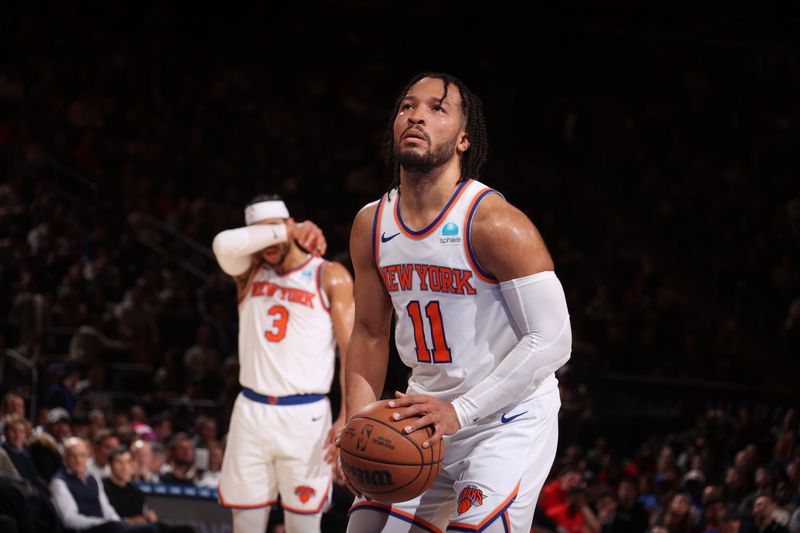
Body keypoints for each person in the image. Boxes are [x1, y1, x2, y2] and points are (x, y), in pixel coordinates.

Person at [342, 72, 572, 532]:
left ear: (465, 140)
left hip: (505, 418)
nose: (417, 116)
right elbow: (369, 332)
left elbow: (554, 340)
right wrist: (357, 425)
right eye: (407, 106)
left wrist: (460, 411)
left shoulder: (495, 224)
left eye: (436, 108)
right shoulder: (372, 223)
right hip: (423, 414)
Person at [212, 196, 354, 533]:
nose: (267, 244)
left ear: (288, 226)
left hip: (306, 417)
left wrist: (348, 413)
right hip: (251, 412)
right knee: (244, 526)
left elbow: (352, 350)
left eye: (273, 231)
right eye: (258, 236)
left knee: (303, 527)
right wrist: (284, 230)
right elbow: (222, 243)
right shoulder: (248, 270)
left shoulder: (329, 275)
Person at [50, 436, 157, 532]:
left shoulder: (93, 479)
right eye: (73, 456)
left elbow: (107, 510)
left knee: (151, 528)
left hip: (107, 526)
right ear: (65, 458)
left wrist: (121, 523)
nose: (78, 460)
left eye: (82, 455)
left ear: (87, 456)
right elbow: (69, 519)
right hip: (88, 529)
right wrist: (104, 523)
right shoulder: (59, 482)